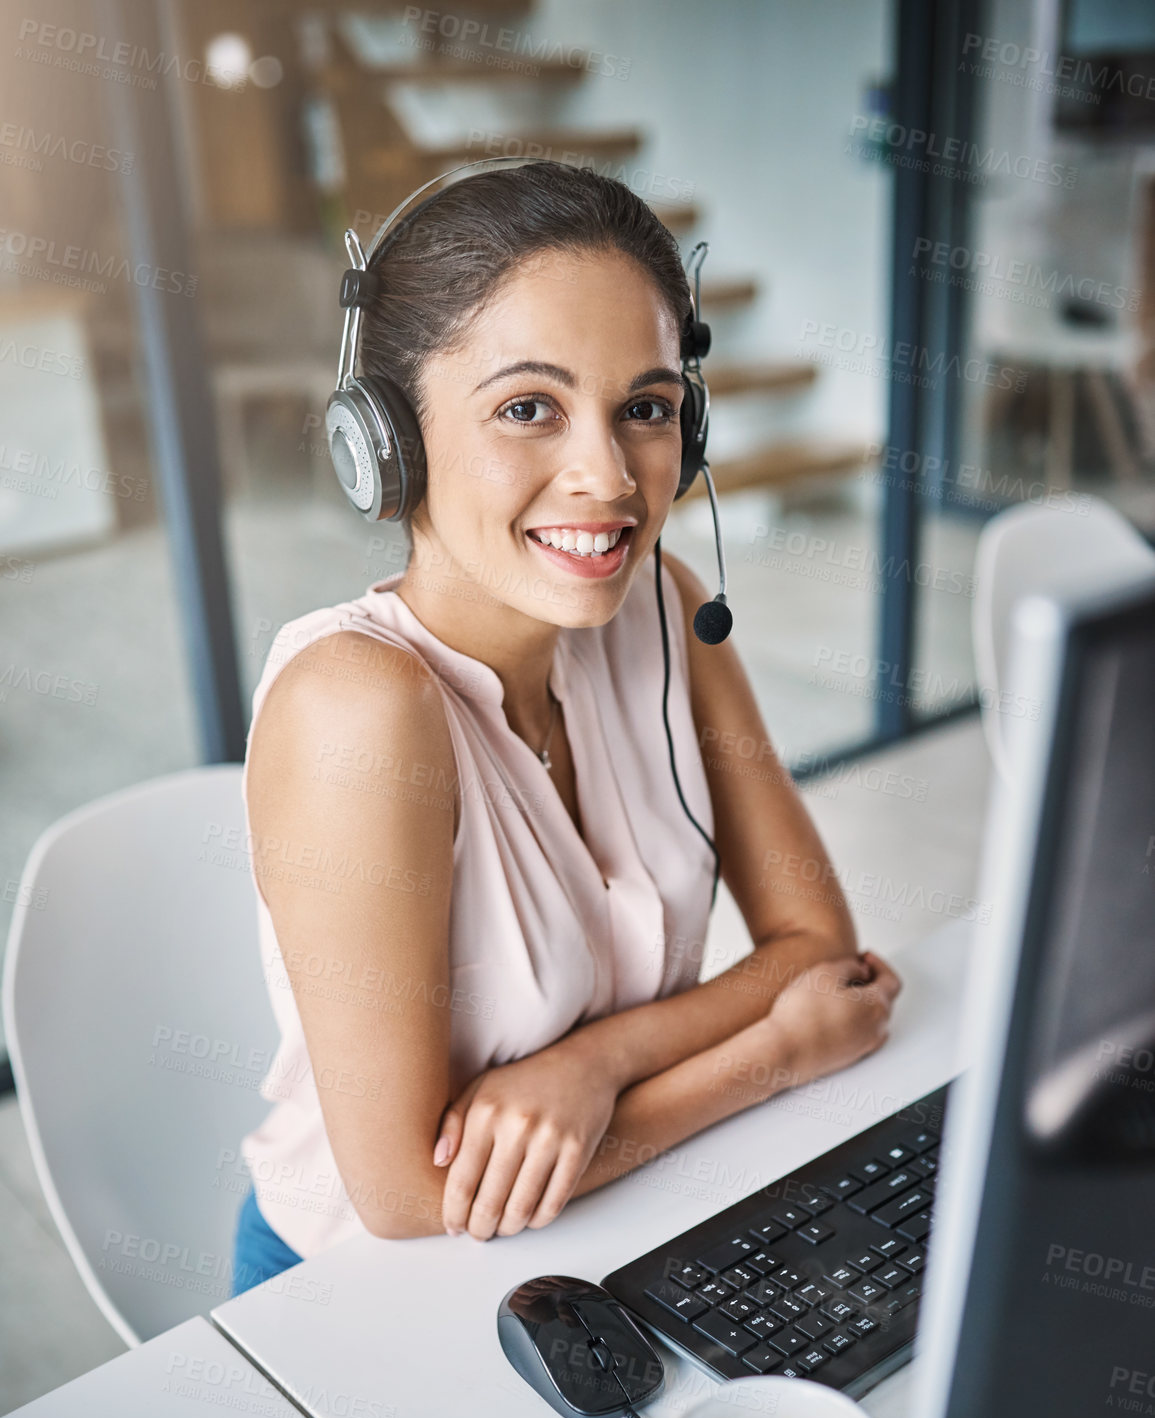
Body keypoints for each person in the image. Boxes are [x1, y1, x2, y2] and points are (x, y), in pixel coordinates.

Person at [231, 162, 901, 1296]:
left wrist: (595, 1066)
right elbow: (408, 1194)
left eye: (644, 408)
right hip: (355, 1296)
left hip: (602, 1234)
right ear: (387, 441)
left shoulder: (666, 607)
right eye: (527, 408)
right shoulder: (360, 708)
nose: (607, 476)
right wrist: (774, 1055)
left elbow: (818, 947)